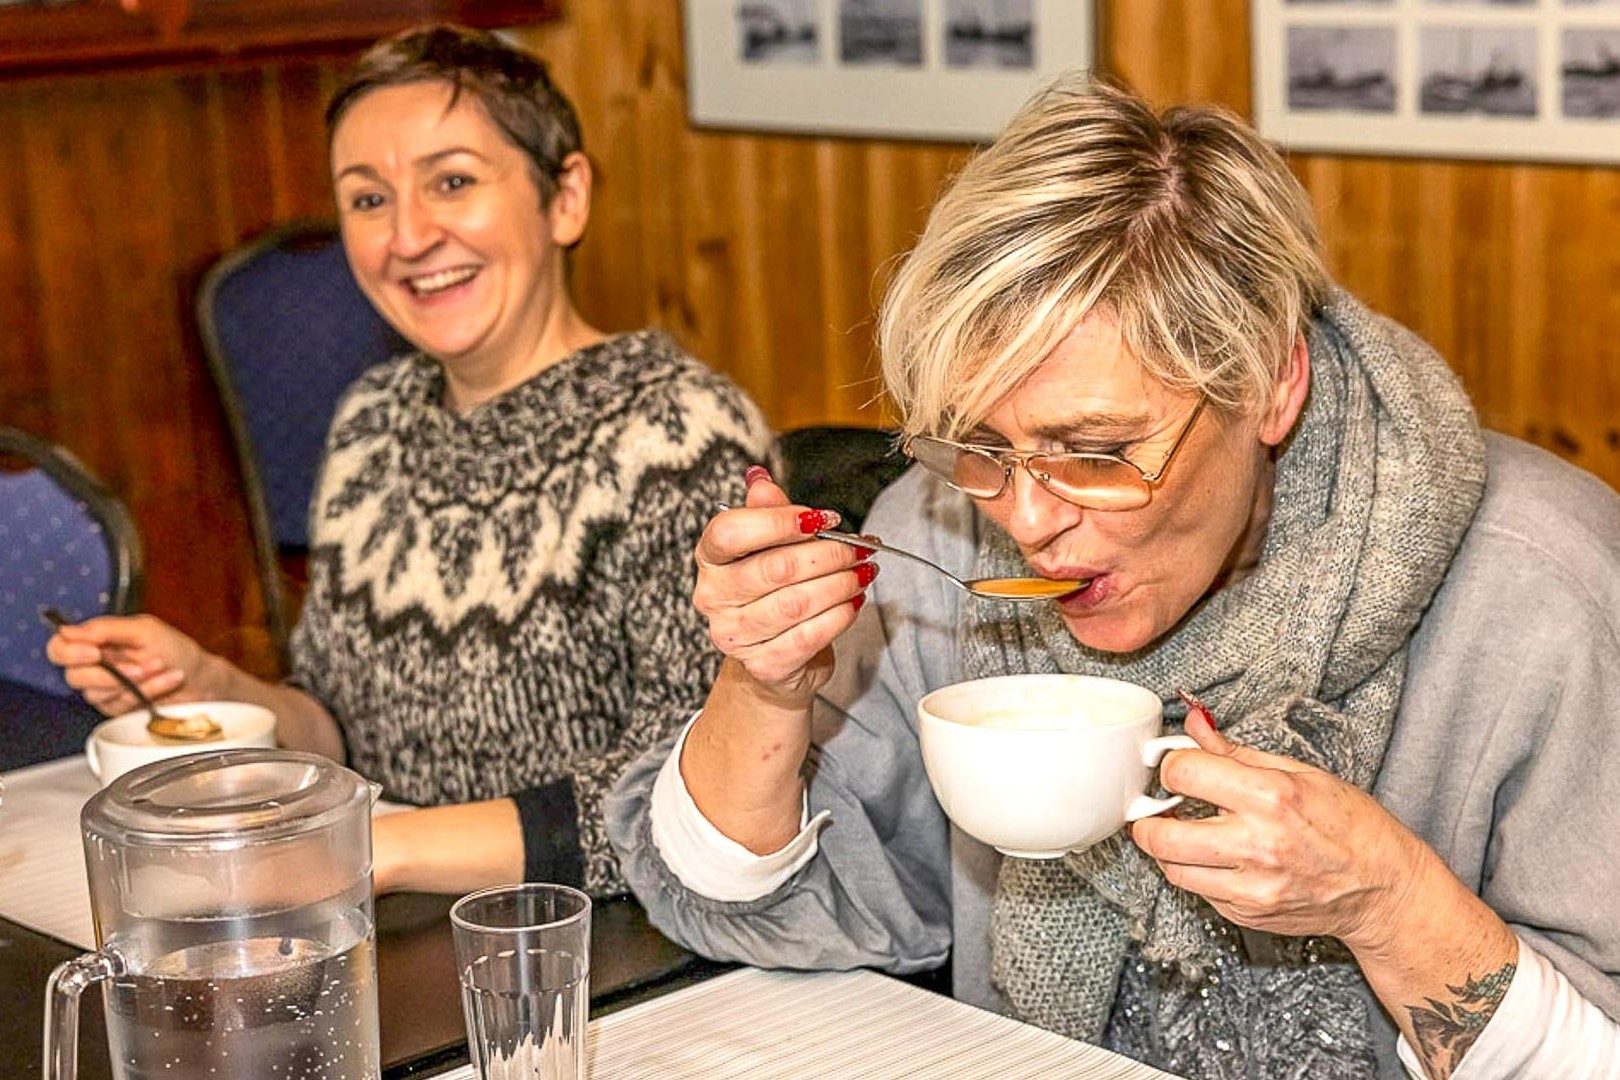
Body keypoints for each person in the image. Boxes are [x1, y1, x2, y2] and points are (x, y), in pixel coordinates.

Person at [606, 75, 1620, 1079]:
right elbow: (740, 902)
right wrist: (763, 684)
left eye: (1095, 451)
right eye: (980, 445)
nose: (1028, 521)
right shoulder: (946, 535)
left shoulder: (1541, 597)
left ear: (1273, 380)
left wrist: (1385, 902)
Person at [48, 24, 771, 899]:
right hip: (397, 924)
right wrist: (209, 685)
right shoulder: (371, 420)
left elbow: (692, 804)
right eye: (367, 200)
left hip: (600, 948)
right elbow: (339, 731)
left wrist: (373, 852)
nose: (408, 236)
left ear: (565, 197)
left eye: (453, 182)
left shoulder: (679, 434)